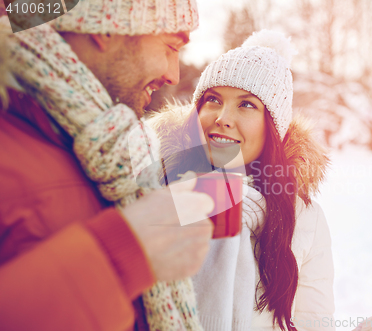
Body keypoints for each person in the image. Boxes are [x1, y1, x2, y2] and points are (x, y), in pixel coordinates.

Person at [0, 1, 215, 330]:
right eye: (171, 46)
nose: (174, 75)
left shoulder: (112, 151)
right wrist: (120, 256)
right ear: (107, 27)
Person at [149, 30, 335, 331]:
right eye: (212, 100)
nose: (222, 117)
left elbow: (314, 325)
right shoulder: (153, 188)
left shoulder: (304, 220)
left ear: (273, 127)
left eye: (246, 104)